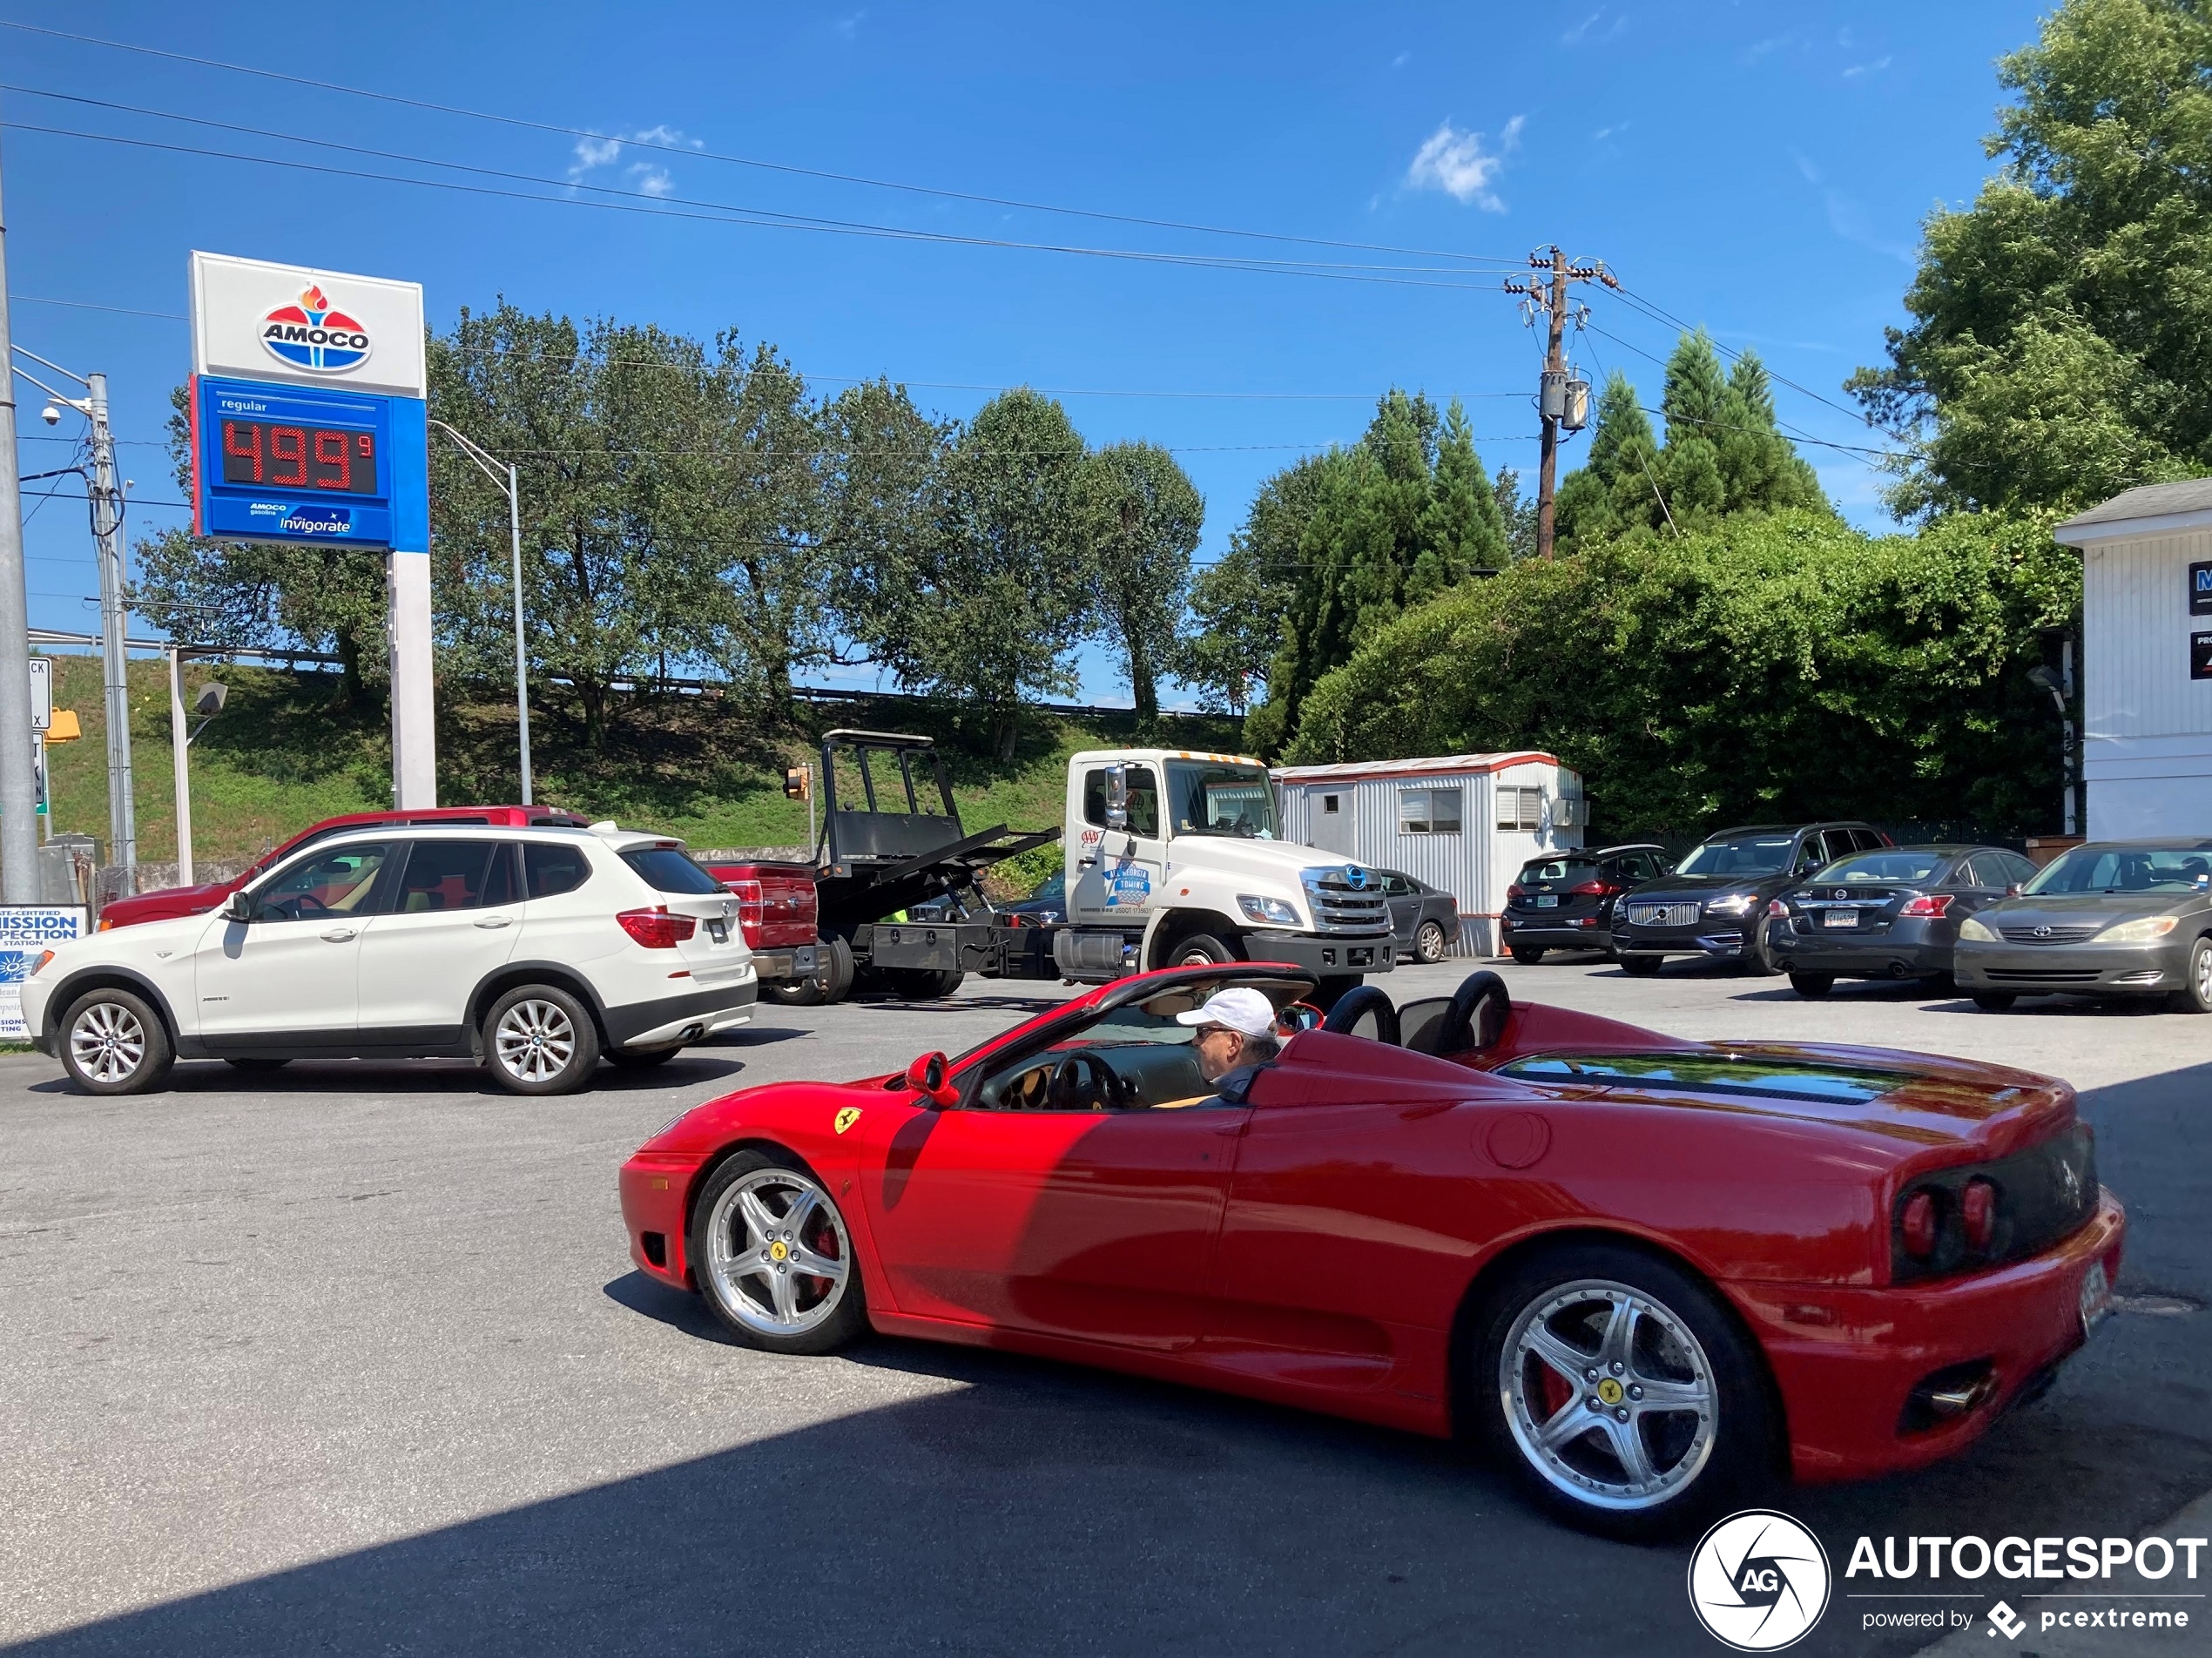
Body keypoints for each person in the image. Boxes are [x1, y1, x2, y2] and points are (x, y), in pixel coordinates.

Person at [1175, 986, 1283, 1104]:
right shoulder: (1284, 1091)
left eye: (1202, 1032)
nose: (1195, 1041)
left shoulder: (1213, 1111)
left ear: (1233, 1043)